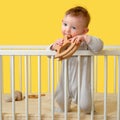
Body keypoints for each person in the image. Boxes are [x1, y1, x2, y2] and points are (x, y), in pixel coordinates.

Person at [49, 6, 103, 113]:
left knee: (85, 104)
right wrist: (53, 46)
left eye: (73, 28)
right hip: (65, 81)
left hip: (82, 83)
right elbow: (48, 54)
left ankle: (90, 110)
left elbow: (99, 47)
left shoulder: (86, 44)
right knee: (59, 98)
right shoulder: (62, 43)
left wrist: (86, 38)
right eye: (65, 25)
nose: (67, 30)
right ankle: (62, 108)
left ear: (84, 31)